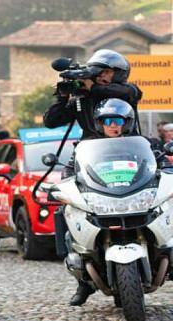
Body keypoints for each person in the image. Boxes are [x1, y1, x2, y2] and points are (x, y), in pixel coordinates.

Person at [67, 98, 137, 306]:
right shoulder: (88, 146)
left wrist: (167, 169)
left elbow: (157, 161)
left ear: (127, 122)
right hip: (101, 198)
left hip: (135, 197)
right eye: (108, 121)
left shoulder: (142, 143)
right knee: (68, 215)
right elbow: (72, 168)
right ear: (100, 123)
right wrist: (67, 180)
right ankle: (83, 282)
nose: (113, 125)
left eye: (117, 120)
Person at [44, 49, 142, 140]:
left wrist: (92, 87)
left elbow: (122, 92)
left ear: (119, 74)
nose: (101, 75)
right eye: (98, 72)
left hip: (126, 147)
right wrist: (62, 98)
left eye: (107, 72)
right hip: (92, 153)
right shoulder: (82, 98)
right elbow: (51, 122)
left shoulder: (129, 90)